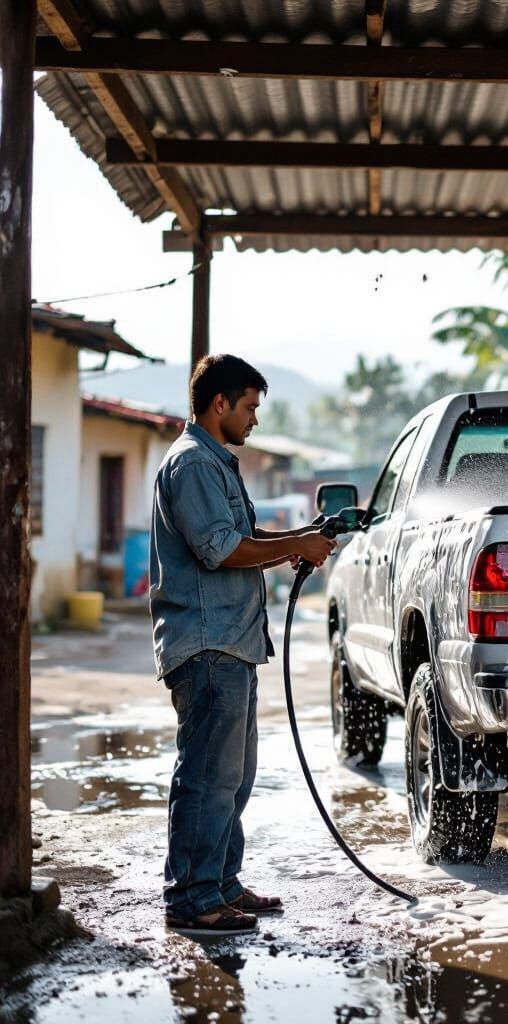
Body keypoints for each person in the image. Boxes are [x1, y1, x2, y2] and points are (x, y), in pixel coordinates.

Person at [150, 354, 335, 937]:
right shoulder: (194, 467)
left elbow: (247, 536)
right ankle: (193, 897)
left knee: (233, 774)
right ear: (219, 403)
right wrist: (295, 549)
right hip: (206, 644)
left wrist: (301, 539)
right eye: (249, 407)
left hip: (230, 642)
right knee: (207, 775)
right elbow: (221, 550)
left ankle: (221, 883)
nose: (254, 419)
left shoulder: (217, 464)